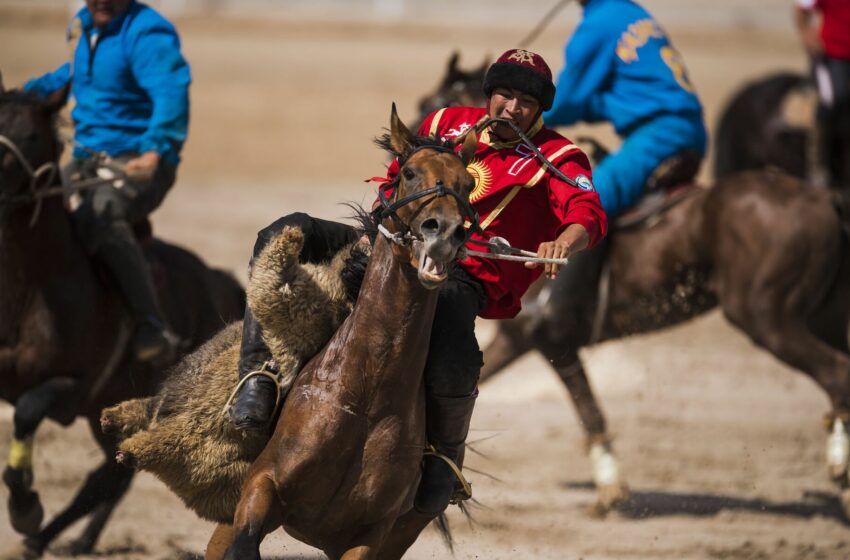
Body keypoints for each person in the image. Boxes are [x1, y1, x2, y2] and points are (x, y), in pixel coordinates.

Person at [229, 48, 608, 516]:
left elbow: (587, 213)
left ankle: (445, 457)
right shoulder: (445, 120)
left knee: (456, 345)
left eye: (525, 103)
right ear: (489, 94)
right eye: (504, 95)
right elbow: (396, 176)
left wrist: (564, 243)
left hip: (468, 272)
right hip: (392, 245)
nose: (512, 109)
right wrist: (375, 234)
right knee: (283, 233)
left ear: (540, 110)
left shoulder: (559, 156)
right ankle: (255, 378)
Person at [24, 0, 191, 362]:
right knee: (32, 205)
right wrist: (21, 98)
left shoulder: (146, 32)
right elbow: (75, 75)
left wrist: (155, 150)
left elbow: (170, 92)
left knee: (100, 214)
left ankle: (151, 325)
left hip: (138, 163)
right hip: (85, 160)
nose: (100, 1)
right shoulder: (85, 26)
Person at [544, 0, 707, 219]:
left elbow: (563, 103)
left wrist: (524, 118)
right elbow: (614, 98)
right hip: (692, 129)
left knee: (581, 204)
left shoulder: (598, 24)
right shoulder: (632, 12)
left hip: (659, 137)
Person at [794, 0, 850, 188]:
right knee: (833, 98)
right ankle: (819, 163)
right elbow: (802, 12)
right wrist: (808, 38)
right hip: (832, 57)